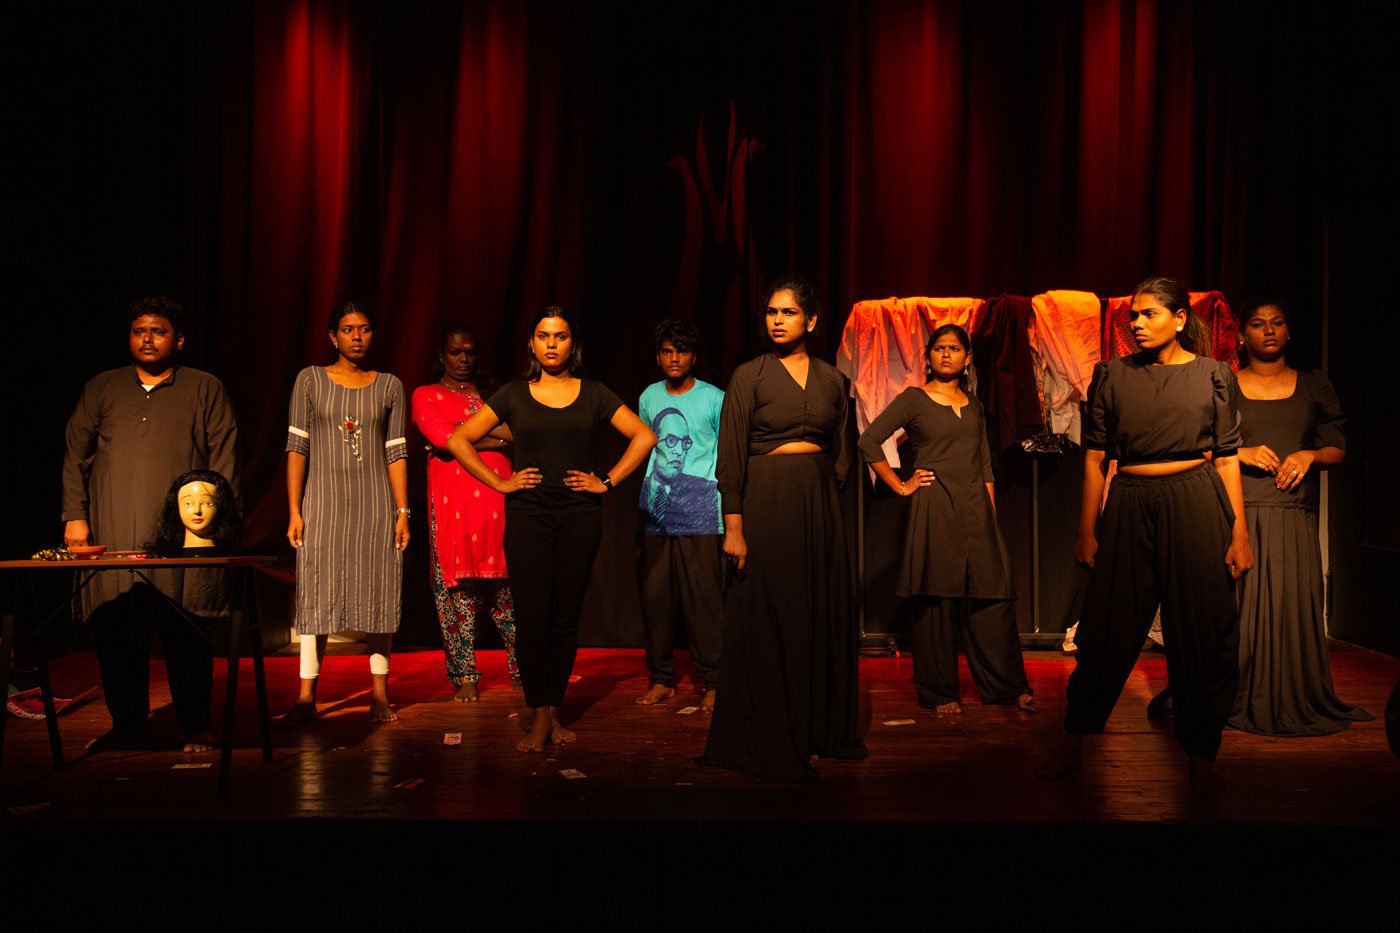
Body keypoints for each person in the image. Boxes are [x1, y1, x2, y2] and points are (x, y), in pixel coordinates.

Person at [1037, 276, 1253, 792]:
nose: (1137, 324)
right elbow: (1094, 459)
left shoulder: (1213, 375)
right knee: (1105, 630)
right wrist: (1086, 530)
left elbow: (1227, 461)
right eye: (1133, 316)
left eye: (1150, 314)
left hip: (1196, 501)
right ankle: (1074, 743)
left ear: (1180, 319)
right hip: (1130, 502)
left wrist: (1239, 535)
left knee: (1202, 631)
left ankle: (1201, 757)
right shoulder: (1110, 375)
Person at [445, 307, 655, 752]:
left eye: (560, 337)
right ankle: (538, 715)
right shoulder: (514, 395)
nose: (552, 344)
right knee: (532, 618)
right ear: (532, 344)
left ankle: (552, 711)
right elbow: (458, 440)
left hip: (580, 516)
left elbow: (644, 436)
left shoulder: (594, 393)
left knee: (564, 620)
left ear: (571, 344)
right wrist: (501, 482)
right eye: (543, 336)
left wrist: (608, 481)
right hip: (529, 517)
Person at [699, 275, 867, 782]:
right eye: (771, 312)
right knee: (773, 616)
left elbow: (843, 451)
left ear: (811, 321)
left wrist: (825, 504)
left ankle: (818, 729)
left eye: (788, 312)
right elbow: (729, 458)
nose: (777, 319)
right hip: (766, 501)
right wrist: (734, 527)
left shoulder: (834, 380)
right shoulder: (749, 376)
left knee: (817, 611)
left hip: (817, 506)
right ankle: (772, 733)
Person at [62, 296, 241, 753]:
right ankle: (127, 726)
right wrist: (76, 517)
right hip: (113, 530)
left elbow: (223, 459)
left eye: (158, 331)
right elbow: (75, 456)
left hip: (186, 539)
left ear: (178, 340)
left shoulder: (204, 387)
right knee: (117, 630)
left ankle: (196, 724)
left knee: (188, 632)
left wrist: (217, 527)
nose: (147, 338)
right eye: (139, 330)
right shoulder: (102, 388)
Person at [857, 324, 1034, 715]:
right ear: (929, 357)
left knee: (991, 597)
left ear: (967, 358)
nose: (946, 354)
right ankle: (940, 692)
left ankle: (1007, 686)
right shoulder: (915, 399)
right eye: (938, 349)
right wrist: (901, 484)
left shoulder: (972, 406)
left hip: (977, 512)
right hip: (935, 508)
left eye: (955, 348)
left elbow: (985, 466)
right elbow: (868, 440)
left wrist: (991, 518)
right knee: (936, 601)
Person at [1228, 300, 1371, 735]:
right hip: (1240, 513)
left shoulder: (1314, 386)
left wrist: (1310, 454)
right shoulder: (1224, 385)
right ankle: (1236, 691)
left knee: (1292, 603)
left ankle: (1296, 691)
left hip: (1293, 514)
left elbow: (1338, 447)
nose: (1269, 330)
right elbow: (1201, 445)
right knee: (1242, 610)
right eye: (1258, 324)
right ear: (1242, 336)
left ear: (1289, 332)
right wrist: (1241, 451)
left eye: (1277, 323)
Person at [283, 301, 410, 726]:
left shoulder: (390, 385)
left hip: (375, 506)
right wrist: (294, 510)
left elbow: (396, 452)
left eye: (365, 329)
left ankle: (379, 694)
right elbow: (297, 448)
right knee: (316, 595)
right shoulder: (310, 380)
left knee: (378, 593)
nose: (357, 337)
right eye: (348, 330)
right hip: (322, 504)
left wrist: (402, 510)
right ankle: (306, 697)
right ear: (333, 337)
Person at [411, 326, 520, 702]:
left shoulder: (495, 395)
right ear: (441, 355)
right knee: (455, 595)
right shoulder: (426, 395)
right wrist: (491, 435)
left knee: (511, 593)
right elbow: (440, 436)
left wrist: (462, 437)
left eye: (470, 352)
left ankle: (526, 671)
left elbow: (515, 431)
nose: (464, 359)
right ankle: (465, 676)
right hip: (452, 508)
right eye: (456, 352)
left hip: (499, 505)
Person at [634, 321, 725, 710]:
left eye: (682, 352)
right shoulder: (649, 396)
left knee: (704, 602)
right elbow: (644, 446)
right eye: (668, 351)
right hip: (655, 516)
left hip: (702, 514)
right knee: (656, 600)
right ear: (658, 357)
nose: (674, 358)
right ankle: (661, 678)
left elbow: (728, 453)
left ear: (694, 357)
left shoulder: (714, 398)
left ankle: (716, 680)